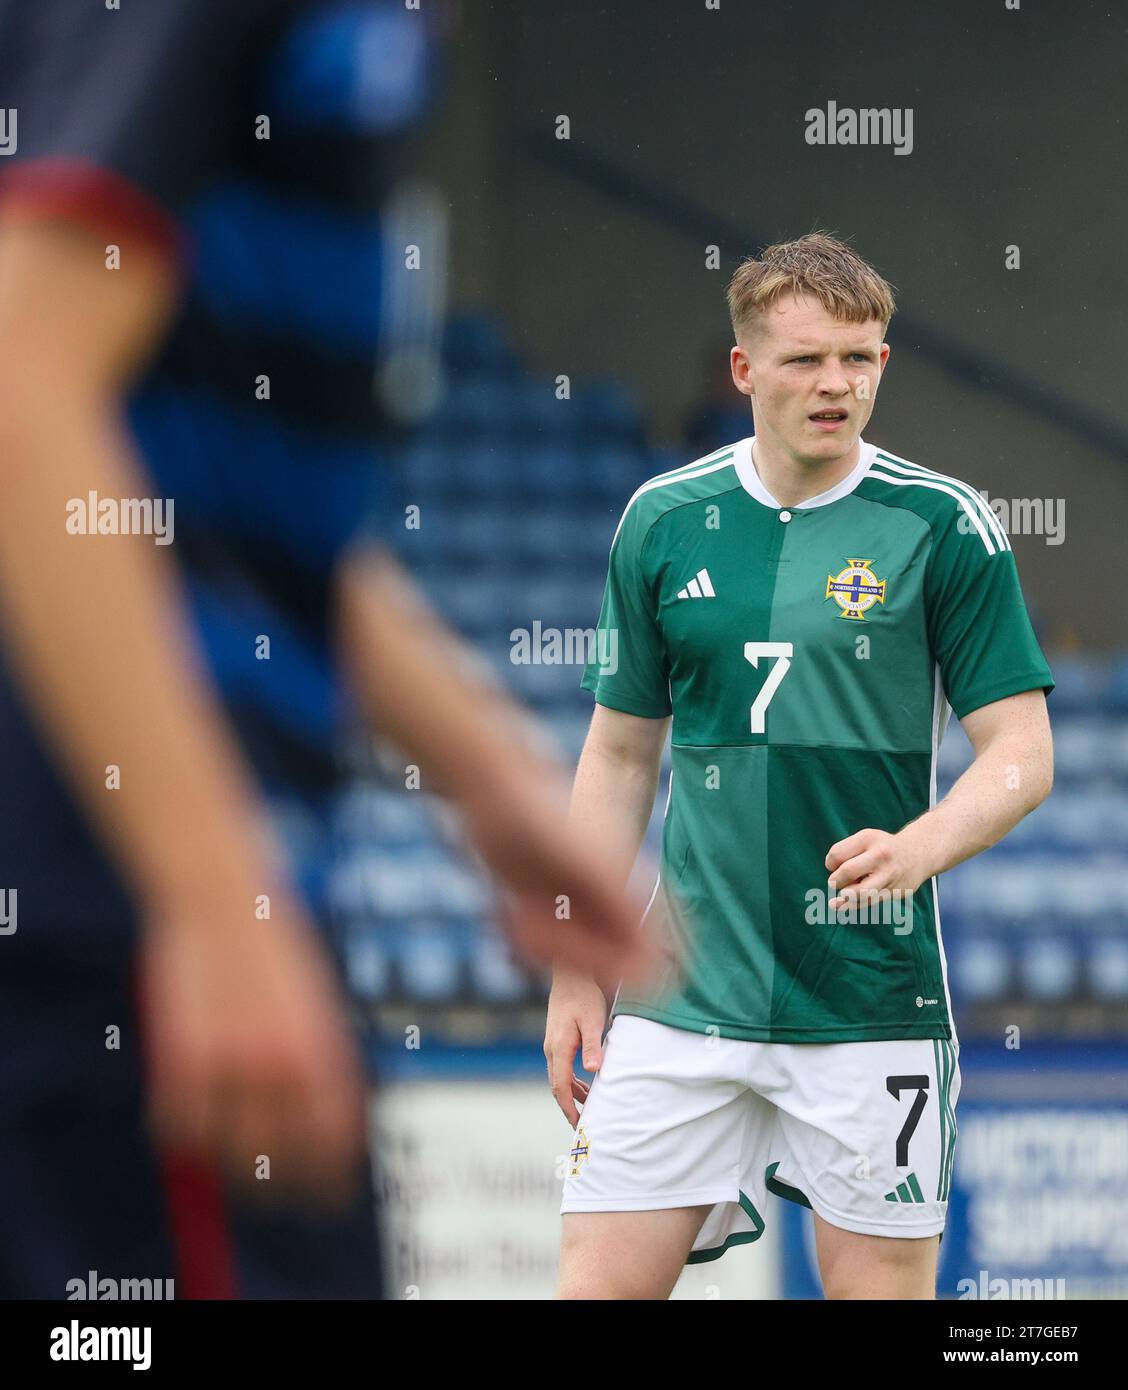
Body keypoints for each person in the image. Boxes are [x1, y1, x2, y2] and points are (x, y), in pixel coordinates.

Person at [0, 0, 644, 1299]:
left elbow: (190, 497)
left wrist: (487, 775)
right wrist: (206, 897)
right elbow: (24, 379)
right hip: (91, 905)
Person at [546, 232, 1054, 1299]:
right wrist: (573, 958)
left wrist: (920, 846)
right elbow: (620, 754)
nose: (839, 383)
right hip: (679, 994)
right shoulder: (662, 521)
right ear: (744, 370)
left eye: (861, 358)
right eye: (807, 358)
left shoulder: (943, 525)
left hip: (867, 1000)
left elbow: (1022, 754)